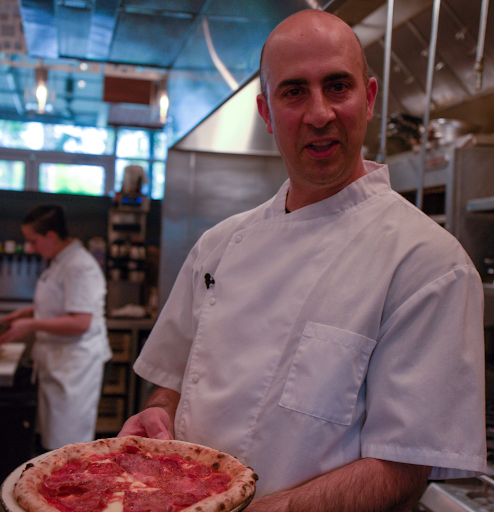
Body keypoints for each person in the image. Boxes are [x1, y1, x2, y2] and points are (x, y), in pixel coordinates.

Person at [118, 10, 486, 511]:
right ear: (267, 112)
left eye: (338, 86)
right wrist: (159, 414)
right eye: (294, 92)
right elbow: (171, 384)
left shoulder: (429, 265)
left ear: (369, 99)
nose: (319, 114)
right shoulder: (217, 246)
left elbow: (402, 467)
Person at [0, 204, 112, 451]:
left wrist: (31, 324)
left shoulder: (79, 265)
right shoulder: (60, 261)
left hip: (76, 369)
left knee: (68, 446)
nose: (30, 248)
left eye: (33, 241)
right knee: (53, 442)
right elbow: (63, 302)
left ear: (51, 236)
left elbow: (81, 321)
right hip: (60, 364)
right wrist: (29, 312)